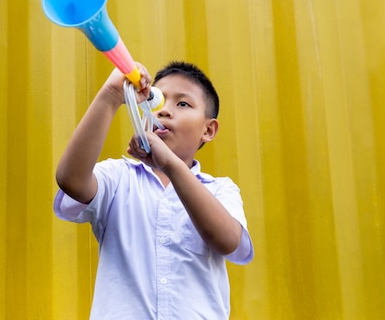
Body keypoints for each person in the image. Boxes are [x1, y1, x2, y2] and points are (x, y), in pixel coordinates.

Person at [53, 61, 254, 319]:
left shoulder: (220, 190)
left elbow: (227, 240)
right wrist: (112, 95)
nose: (165, 111)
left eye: (183, 104)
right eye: (157, 100)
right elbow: (71, 179)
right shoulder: (119, 178)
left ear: (208, 129)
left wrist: (169, 163)